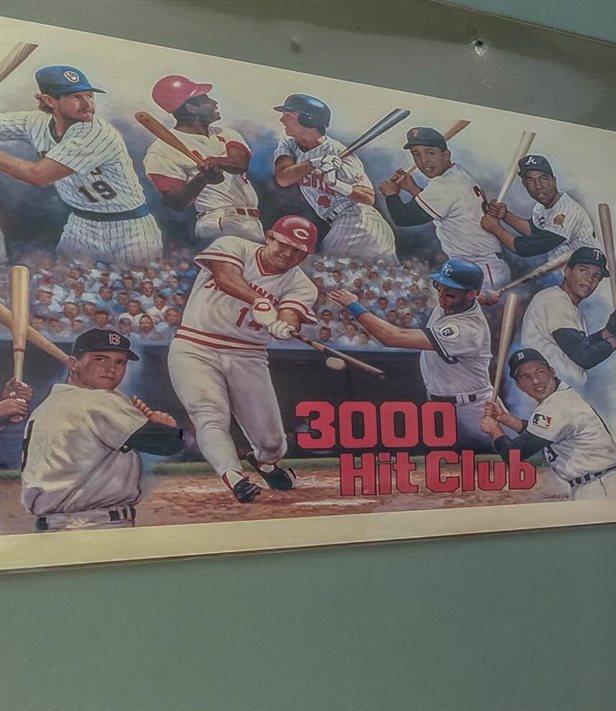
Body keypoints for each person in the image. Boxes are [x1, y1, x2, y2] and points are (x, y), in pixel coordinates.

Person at [168, 214, 322, 503]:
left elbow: (292, 315)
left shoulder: (302, 285)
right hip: (195, 345)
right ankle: (235, 477)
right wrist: (259, 301)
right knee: (209, 413)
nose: (289, 254)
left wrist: (284, 325)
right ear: (269, 236)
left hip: (249, 355)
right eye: (284, 244)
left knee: (273, 443)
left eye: (298, 251)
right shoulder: (233, 245)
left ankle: (264, 462)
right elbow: (225, 277)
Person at [16, 328, 183, 530]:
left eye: (119, 362)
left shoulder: (46, 406)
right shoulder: (98, 399)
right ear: (73, 363)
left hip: (53, 528)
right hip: (95, 526)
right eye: (100, 359)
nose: (111, 368)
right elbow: (166, 444)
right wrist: (167, 426)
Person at [0, 65, 168, 265]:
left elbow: (38, 176)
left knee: (135, 286)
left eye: (89, 96)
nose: (87, 103)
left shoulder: (96, 133)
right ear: (49, 100)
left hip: (129, 227)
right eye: (76, 97)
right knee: (61, 284)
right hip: (80, 224)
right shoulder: (35, 122)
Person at [333, 257, 499, 448]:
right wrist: (484, 296)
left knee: (492, 462)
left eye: (450, 292)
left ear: (470, 294)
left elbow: (392, 337)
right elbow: (466, 295)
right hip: (443, 406)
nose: (442, 296)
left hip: (473, 411)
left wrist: (353, 305)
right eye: (440, 287)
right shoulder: (455, 302)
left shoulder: (468, 330)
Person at [484, 348, 616, 502]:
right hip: (604, 482)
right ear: (519, 385)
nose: (535, 381)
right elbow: (541, 433)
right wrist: (505, 418)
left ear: (552, 371)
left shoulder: (556, 406)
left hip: (601, 487)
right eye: (526, 376)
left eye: (540, 372)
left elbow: (513, 454)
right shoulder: (561, 396)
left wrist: (494, 430)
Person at [268, 94, 396, 262]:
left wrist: (336, 184)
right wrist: (314, 163)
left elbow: (367, 197)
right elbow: (283, 178)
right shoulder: (288, 144)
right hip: (339, 222)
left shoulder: (337, 151)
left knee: (323, 270)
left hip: (358, 220)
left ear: (308, 120)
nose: (282, 120)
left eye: (288, 116)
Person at [144, 74, 266, 245]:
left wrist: (216, 161)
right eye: (205, 99)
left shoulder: (225, 133)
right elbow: (175, 202)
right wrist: (203, 179)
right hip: (218, 219)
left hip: (251, 221)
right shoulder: (161, 149)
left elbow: (240, 164)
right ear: (191, 108)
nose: (214, 102)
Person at [377, 125, 505, 286]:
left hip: (481, 269)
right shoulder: (456, 173)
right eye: (417, 154)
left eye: (430, 153)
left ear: (446, 155)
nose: (423, 160)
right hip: (476, 265)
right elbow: (441, 207)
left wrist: (391, 194)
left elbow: (404, 218)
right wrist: (413, 189)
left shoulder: (445, 184)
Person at [513, 245, 616, 395]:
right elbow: (584, 356)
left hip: (556, 391)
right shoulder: (555, 300)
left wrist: (606, 333)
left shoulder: (569, 306)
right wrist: (615, 342)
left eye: (596, 276)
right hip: (548, 391)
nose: (589, 278)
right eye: (583, 270)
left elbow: (574, 349)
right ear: (567, 271)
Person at [484, 152, 598, 262]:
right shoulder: (541, 207)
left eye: (543, 178)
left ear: (553, 181)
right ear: (524, 184)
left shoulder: (568, 211)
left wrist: (495, 228)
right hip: (568, 273)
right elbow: (534, 231)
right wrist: (505, 215)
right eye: (531, 180)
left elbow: (529, 248)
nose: (538, 186)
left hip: (589, 271)